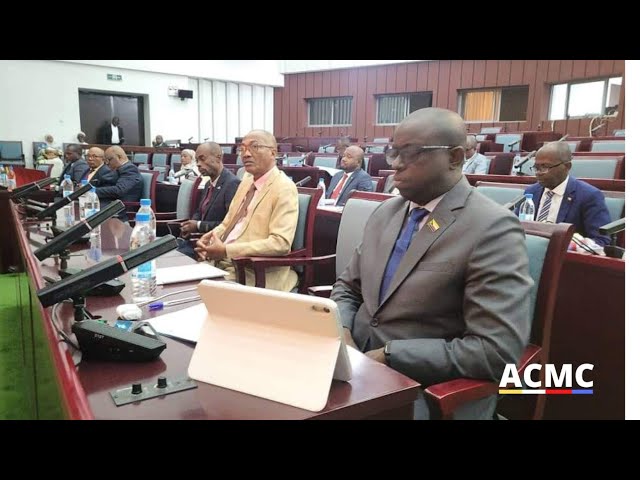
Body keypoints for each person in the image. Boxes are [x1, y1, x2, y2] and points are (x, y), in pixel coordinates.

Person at [330, 107, 533, 420]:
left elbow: (494, 352)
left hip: (422, 389)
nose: (395, 163)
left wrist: (390, 355)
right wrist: (341, 330)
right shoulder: (385, 213)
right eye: (393, 151)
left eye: (411, 153)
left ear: (454, 158)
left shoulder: (493, 228)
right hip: (353, 369)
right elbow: (348, 287)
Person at [194, 129, 299, 292]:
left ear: (273, 152)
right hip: (223, 264)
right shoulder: (246, 181)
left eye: (254, 147)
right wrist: (209, 238)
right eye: (242, 149)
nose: (246, 154)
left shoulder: (284, 187)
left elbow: (280, 243)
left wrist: (226, 250)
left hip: (251, 272)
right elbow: (228, 223)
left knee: (196, 296)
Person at [524, 141, 611, 247]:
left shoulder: (589, 196)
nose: (538, 173)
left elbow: (601, 241)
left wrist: (571, 246)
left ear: (567, 166)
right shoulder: (531, 192)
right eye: (536, 168)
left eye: (545, 167)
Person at [176, 142, 241, 259]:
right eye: (197, 161)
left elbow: (230, 224)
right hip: (197, 240)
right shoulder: (208, 184)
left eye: (202, 159)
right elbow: (199, 211)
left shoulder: (232, 184)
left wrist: (199, 225)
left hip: (213, 247)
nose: (199, 165)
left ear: (218, 157)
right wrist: (191, 224)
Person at [96, 146, 143, 221]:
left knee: (89, 211)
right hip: (111, 203)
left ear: (119, 157)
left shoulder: (130, 169)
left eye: (109, 160)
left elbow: (119, 190)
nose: (107, 164)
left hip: (121, 208)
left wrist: (94, 191)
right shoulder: (119, 169)